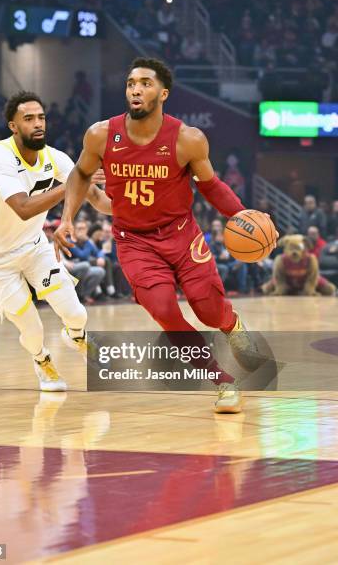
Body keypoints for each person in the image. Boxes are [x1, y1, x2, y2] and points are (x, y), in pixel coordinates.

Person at [54, 57, 278, 413]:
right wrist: (67, 218)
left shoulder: (188, 139)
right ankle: (221, 380)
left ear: (163, 93)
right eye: (130, 83)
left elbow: (212, 186)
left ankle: (232, 325)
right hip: (133, 241)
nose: (135, 89)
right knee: (164, 311)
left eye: (144, 82)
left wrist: (244, 216)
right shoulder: (100, 134)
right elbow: (80, 174)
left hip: (181, 235)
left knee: (208, 311)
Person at [0, 91, 112, 391]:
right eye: (29, 118)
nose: (38, 124)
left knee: (76, 313)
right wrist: (73, 181)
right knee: (31, 328)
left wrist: (140, 207)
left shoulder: (55, 158)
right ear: (13, 126)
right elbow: (23, 208)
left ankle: (76, 336)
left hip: (34, 248)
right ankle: (42, 360)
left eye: (41, 117)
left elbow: (97, 198)